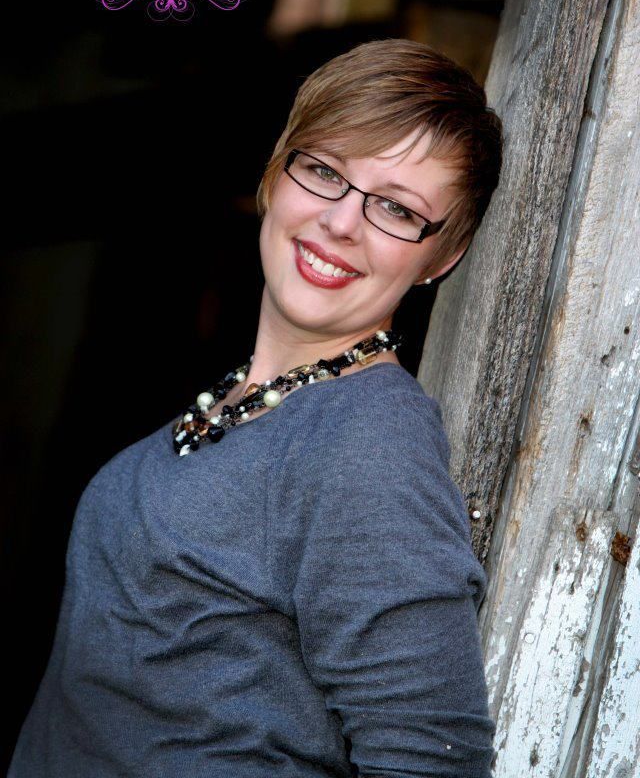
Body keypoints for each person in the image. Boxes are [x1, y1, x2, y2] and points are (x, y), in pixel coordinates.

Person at [9, 38, 503, 777]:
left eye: (397, 209)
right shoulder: (254, 404)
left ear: (442, 255)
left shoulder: (370, 437)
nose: (342, 222)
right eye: (325, 171)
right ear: (278, 172)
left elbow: (431, 760)